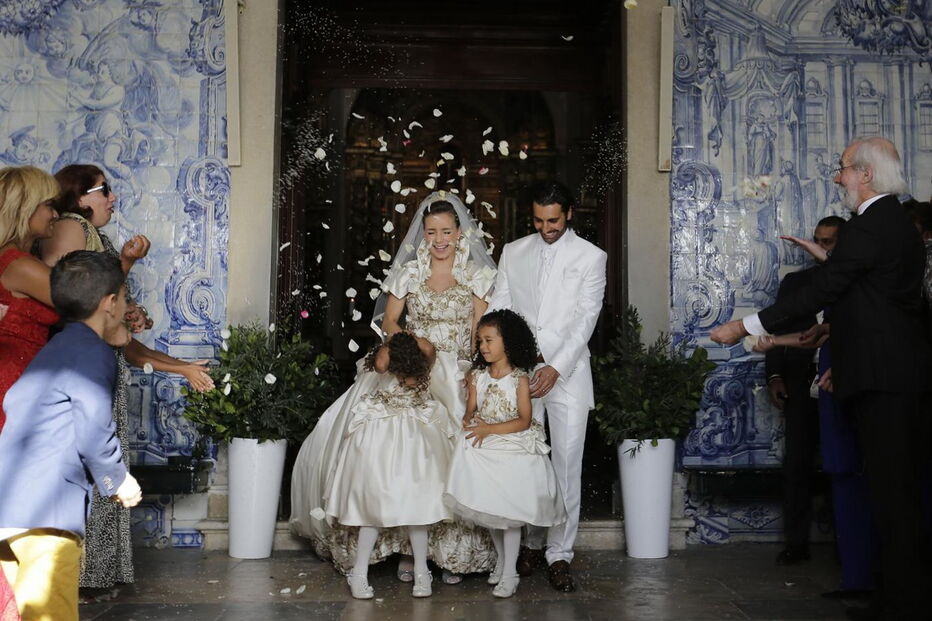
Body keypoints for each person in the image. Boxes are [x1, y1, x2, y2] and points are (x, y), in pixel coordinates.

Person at [712, 137, 931, 620]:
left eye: (844, 168)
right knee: (894, 494)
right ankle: (896, 598)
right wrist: (832, 326)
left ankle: (904, 605)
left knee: (893, 497)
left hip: (883, 380)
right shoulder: (891, 223)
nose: (837, 177)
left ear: (866, 174)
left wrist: (746, 326)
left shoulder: (871, 224)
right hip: (895, 375)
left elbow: (828, 288)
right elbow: (875, 294)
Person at [290, 192, 497, 579]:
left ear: (459, 232)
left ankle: (448, 552)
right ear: (423, 233)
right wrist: (409, 355)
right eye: (431, 232)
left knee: (453, 453)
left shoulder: (477, 275)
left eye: (446, 232)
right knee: (399, 456)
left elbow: (479, 328)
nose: (439, 240)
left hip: (456, 368)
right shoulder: (409, 272)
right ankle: (406, 548)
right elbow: (388, 321)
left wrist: (473, 370)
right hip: (411, 364)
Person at [41, 163, 213, 593]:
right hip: (82, 367)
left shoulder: (95, 236)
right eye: (104, 190)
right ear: (79, 196)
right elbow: (71, 298)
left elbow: (101, 307)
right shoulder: (73, 225)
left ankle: (93, 575)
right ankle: (78, 575)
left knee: (100, 459)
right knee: (90, 461)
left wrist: (128, 301)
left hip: (102, 363)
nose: (112, 197)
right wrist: (126, 267)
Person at [0, 251, 143, 621]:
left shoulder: (55, 349)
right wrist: (117, 478)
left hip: (11, 509)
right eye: (123, 297)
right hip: (47, 512)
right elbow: (94, 423)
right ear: (110, 303)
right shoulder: (92, 353)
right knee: (52, 614)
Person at [487, 181, 607, 592]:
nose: (546, 228)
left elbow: (586, 318)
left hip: (567, 376)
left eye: (553, 220)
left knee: (566, 468)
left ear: (569, 213)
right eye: (539, 220)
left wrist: (556, 366)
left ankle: (560, 553)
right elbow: (501, 305)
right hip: (522, 375)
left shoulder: (592, 257)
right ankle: (532, 544)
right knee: (527, 463)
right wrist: (504, 359)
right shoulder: (514, 251)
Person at [443, 310, 566, 598]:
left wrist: (489, 429)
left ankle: (511, 573)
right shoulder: (478, 377)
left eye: (489, 340)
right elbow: (471, 411)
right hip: (486, 449)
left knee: (510, 516)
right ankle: (503, 562)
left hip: (512, 448)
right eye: (480, 341)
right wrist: (469, 419)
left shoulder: (519, 379)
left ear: (507, 343)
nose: (483, 346)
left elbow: (523, 420)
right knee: (492, 512)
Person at [325, 332, 450, 599]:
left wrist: (410, 338)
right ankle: (359, 572)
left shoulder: (426, 354)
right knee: (373, 505)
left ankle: (422, 571)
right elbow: (381, 364)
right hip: (382, 433)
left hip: (416, 435)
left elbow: (429, 350)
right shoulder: (386, 357)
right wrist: (395, 341)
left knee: (419, 506)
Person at [768, 216, 844, 566]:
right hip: (800, 385)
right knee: (796, 465)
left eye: (828, 242)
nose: (820, 247)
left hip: (842, 384)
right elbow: (776, 327)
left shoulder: (855, 285)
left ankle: (848, 548)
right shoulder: (796, 283)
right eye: (818, 240)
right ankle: (796, 544)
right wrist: (775, 376)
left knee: (843, 464)